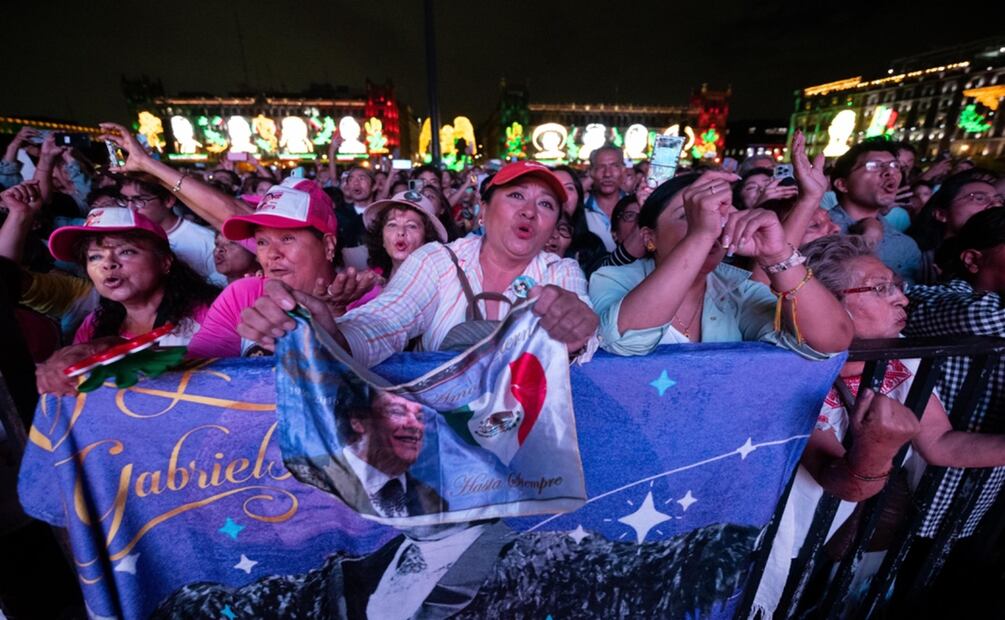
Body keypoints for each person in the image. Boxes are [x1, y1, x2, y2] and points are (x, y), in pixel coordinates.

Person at [753, 233, 1005, 616]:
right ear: (829, 302)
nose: (902, 298)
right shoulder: (792, 370)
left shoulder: (900, 354)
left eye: (898, 287)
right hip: (772, 535)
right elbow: (840, 480)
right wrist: (878, 447)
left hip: (832, 536)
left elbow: (940, 443)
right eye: (881, 289)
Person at [236, 161, 599, 368]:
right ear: (483, 211)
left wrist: (576, 330)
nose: (529, 210)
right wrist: (333, 338)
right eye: (516, 195)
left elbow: (577, 321)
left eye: (547, 205)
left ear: (554, 225)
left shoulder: (559, 272)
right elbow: (388, 318)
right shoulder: (438, 260)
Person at [589, 170, 852, 357]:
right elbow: (623, 342)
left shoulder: (737, 288)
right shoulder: (612, 278)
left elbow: (829, 341)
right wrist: (700, 234)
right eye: (688, 215)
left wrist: (777, 255)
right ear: (650, 237)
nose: (712, 224)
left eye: (719, 216)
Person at [30, 204, 219, 394]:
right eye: (95, 257)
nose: (108, 264)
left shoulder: (212, 310)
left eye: (126, 252)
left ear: (164, 262)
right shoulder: (92, 325)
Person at [185, 178, 378, 359]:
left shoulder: (368, 298)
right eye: (262, 241)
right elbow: (199, 375)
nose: (272, 254)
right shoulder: (242, 294)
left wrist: (335, 319)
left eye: (287, 238)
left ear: (328, 246)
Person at [902, 207, 1005, 541]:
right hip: (931, 479)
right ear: (974, 260)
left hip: (985, 480)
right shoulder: (951, 299)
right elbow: (979, 319)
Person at [329, 390, 447, 518]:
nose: (415, 425)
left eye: (419, 417)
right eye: (397, 412)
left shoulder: (433, 500)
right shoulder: (317, 483)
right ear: (357, 422)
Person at [827, 139, 923, 283]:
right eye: (874, 165)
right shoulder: (816, 230)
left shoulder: (905, 246)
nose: (890, 172)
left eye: (895, 165)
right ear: (842, 184)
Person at [119, 176, 227, 286]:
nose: (130, 208)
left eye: (140, 200)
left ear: (168, 200)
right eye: (125, 200)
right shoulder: (120, 237)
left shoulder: (207, 242)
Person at [363, 189, 448, 279]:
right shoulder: (369, 284)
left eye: (411, 226)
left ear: (427, 238)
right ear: (382, 239)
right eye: (392, 225)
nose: (401, 232)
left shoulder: (443, 285)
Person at [583, 146, 626, 251]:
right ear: (591, 172)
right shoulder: (580, 208)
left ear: (623, 170)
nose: (607, 174)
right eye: (600, 167)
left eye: (614, 166)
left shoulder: (635, 206)